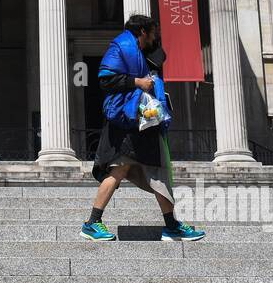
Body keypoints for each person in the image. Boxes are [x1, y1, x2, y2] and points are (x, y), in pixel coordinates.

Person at [81, 14, 205, 243]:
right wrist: (137, 82)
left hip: (144, 121)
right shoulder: (121, 46)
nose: (156, 36)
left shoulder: (142, 52)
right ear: (143, 31)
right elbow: (105, 79)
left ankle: (171, 225)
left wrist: (153, 45)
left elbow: (160, 58)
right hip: (126, 122)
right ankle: (92, 223)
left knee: (156, 172)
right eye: (154, 32)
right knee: (119, 171)